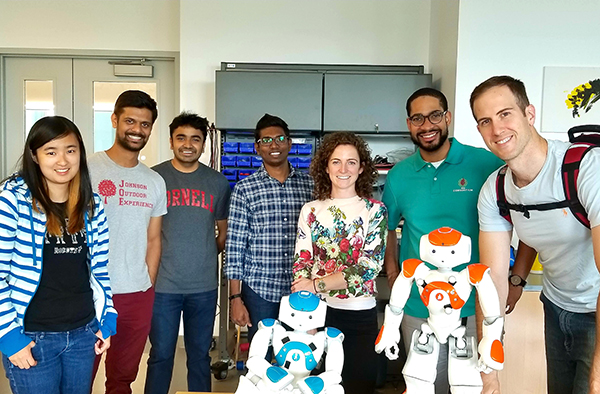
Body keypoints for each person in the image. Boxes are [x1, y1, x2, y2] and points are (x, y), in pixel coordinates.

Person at [471, 75, 600, 394]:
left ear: (529, 113)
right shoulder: (496, 190)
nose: (497, 129)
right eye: (485, 121)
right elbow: (492, 282)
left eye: (505, 114)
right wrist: (489, 373)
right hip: (556, 305)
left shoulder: (585, 169)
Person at [381, 87, 504, 394]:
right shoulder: (398, 176)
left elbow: (521, 215)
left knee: (472, 386)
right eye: (418, 118)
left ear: (447, 117)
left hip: (473, 304)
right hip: (418, 305)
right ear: (409, 124)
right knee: (423, 384)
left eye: (434, 115)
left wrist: (513, 278)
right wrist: (394, 270)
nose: (427, 125)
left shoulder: (485, 164)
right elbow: (387, 228)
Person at [0, 116, 117, 394]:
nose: (62, 160)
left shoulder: (91, 203)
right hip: (31, 336)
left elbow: (99, 269)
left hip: (83, 333)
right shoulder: (12, 199)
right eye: (51, 152)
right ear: (35, 156)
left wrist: (107, 317)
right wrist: (8, 337)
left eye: (70, 150)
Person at [291, 132, 387, 394]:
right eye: (336, 161)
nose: (343, 169)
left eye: (351, 162)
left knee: (357, 384)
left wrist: (317, 284)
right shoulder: (310, 210)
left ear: (362, 168)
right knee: (316, 387)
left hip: (359, 314)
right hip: (317, 313)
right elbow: (302, 262)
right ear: (325, 166)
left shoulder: (374, 210)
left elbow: (368, 268)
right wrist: (305, 315)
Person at [144, 112, 231, 394]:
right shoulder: (154, 177)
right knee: (160, 356)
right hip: (163, 287)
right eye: (181, 138)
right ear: (171, 141)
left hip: (204, 288)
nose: (188, 144)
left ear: (203, 144)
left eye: (196, 139)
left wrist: (204, 252)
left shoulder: (217, 183)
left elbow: (223, 232)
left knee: (199, 358)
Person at [88, 90, 167, 394]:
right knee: (81, 374)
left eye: (145, 124)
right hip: (90, 291)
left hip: (136, 293)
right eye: (130, 121)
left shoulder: (153, 181)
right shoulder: (87, 169)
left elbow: (153, 237)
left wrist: (148, 281)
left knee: (122, 378)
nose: (137, 129)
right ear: (114, 120)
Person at [225, 114, 313, 343]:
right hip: (260, 290)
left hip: (302, 288)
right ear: (257, 147)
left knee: (300, 357)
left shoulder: (311, 186)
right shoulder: (245, 189)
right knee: (260, 359)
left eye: (280, 138)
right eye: (266, 140)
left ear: (289, 143)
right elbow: (235, 248)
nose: (274, 145)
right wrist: (235, 298)